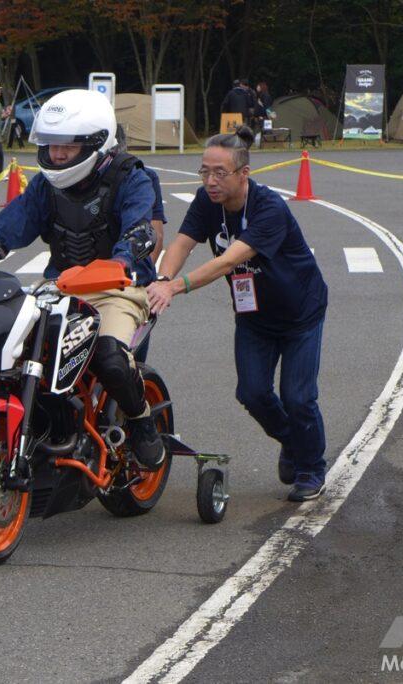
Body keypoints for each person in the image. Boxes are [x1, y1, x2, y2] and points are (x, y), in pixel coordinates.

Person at [0, 89, 165, 468]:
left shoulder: (132, 177)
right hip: (59, 287)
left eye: (68, 146)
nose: (57, 155)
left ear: (97, 142)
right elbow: (5, 231)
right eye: (51, 145)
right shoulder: (44, 185)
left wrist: (119, 261)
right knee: (9, 346)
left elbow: (142, 231)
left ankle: (141, 420)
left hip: (117, 288)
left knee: (111, 358)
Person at [147, 126, 329, 502]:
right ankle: (293, 442)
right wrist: (162, 277)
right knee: (252, 392)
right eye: (204, 172)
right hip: (254, 315)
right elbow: (183, 242)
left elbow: (229, 260)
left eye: (219, 173)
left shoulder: (269, 208)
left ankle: (311, 468)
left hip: (300, 312)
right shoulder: (206, 202)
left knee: (298, 397)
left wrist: (175, 287)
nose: (210, 181)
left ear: (243, 174)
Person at [114, 125, 165, 363]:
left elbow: (155, 233)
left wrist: (142, 275)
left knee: (128, 363)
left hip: (130, 281)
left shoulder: (140, 176)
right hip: (80, 282)